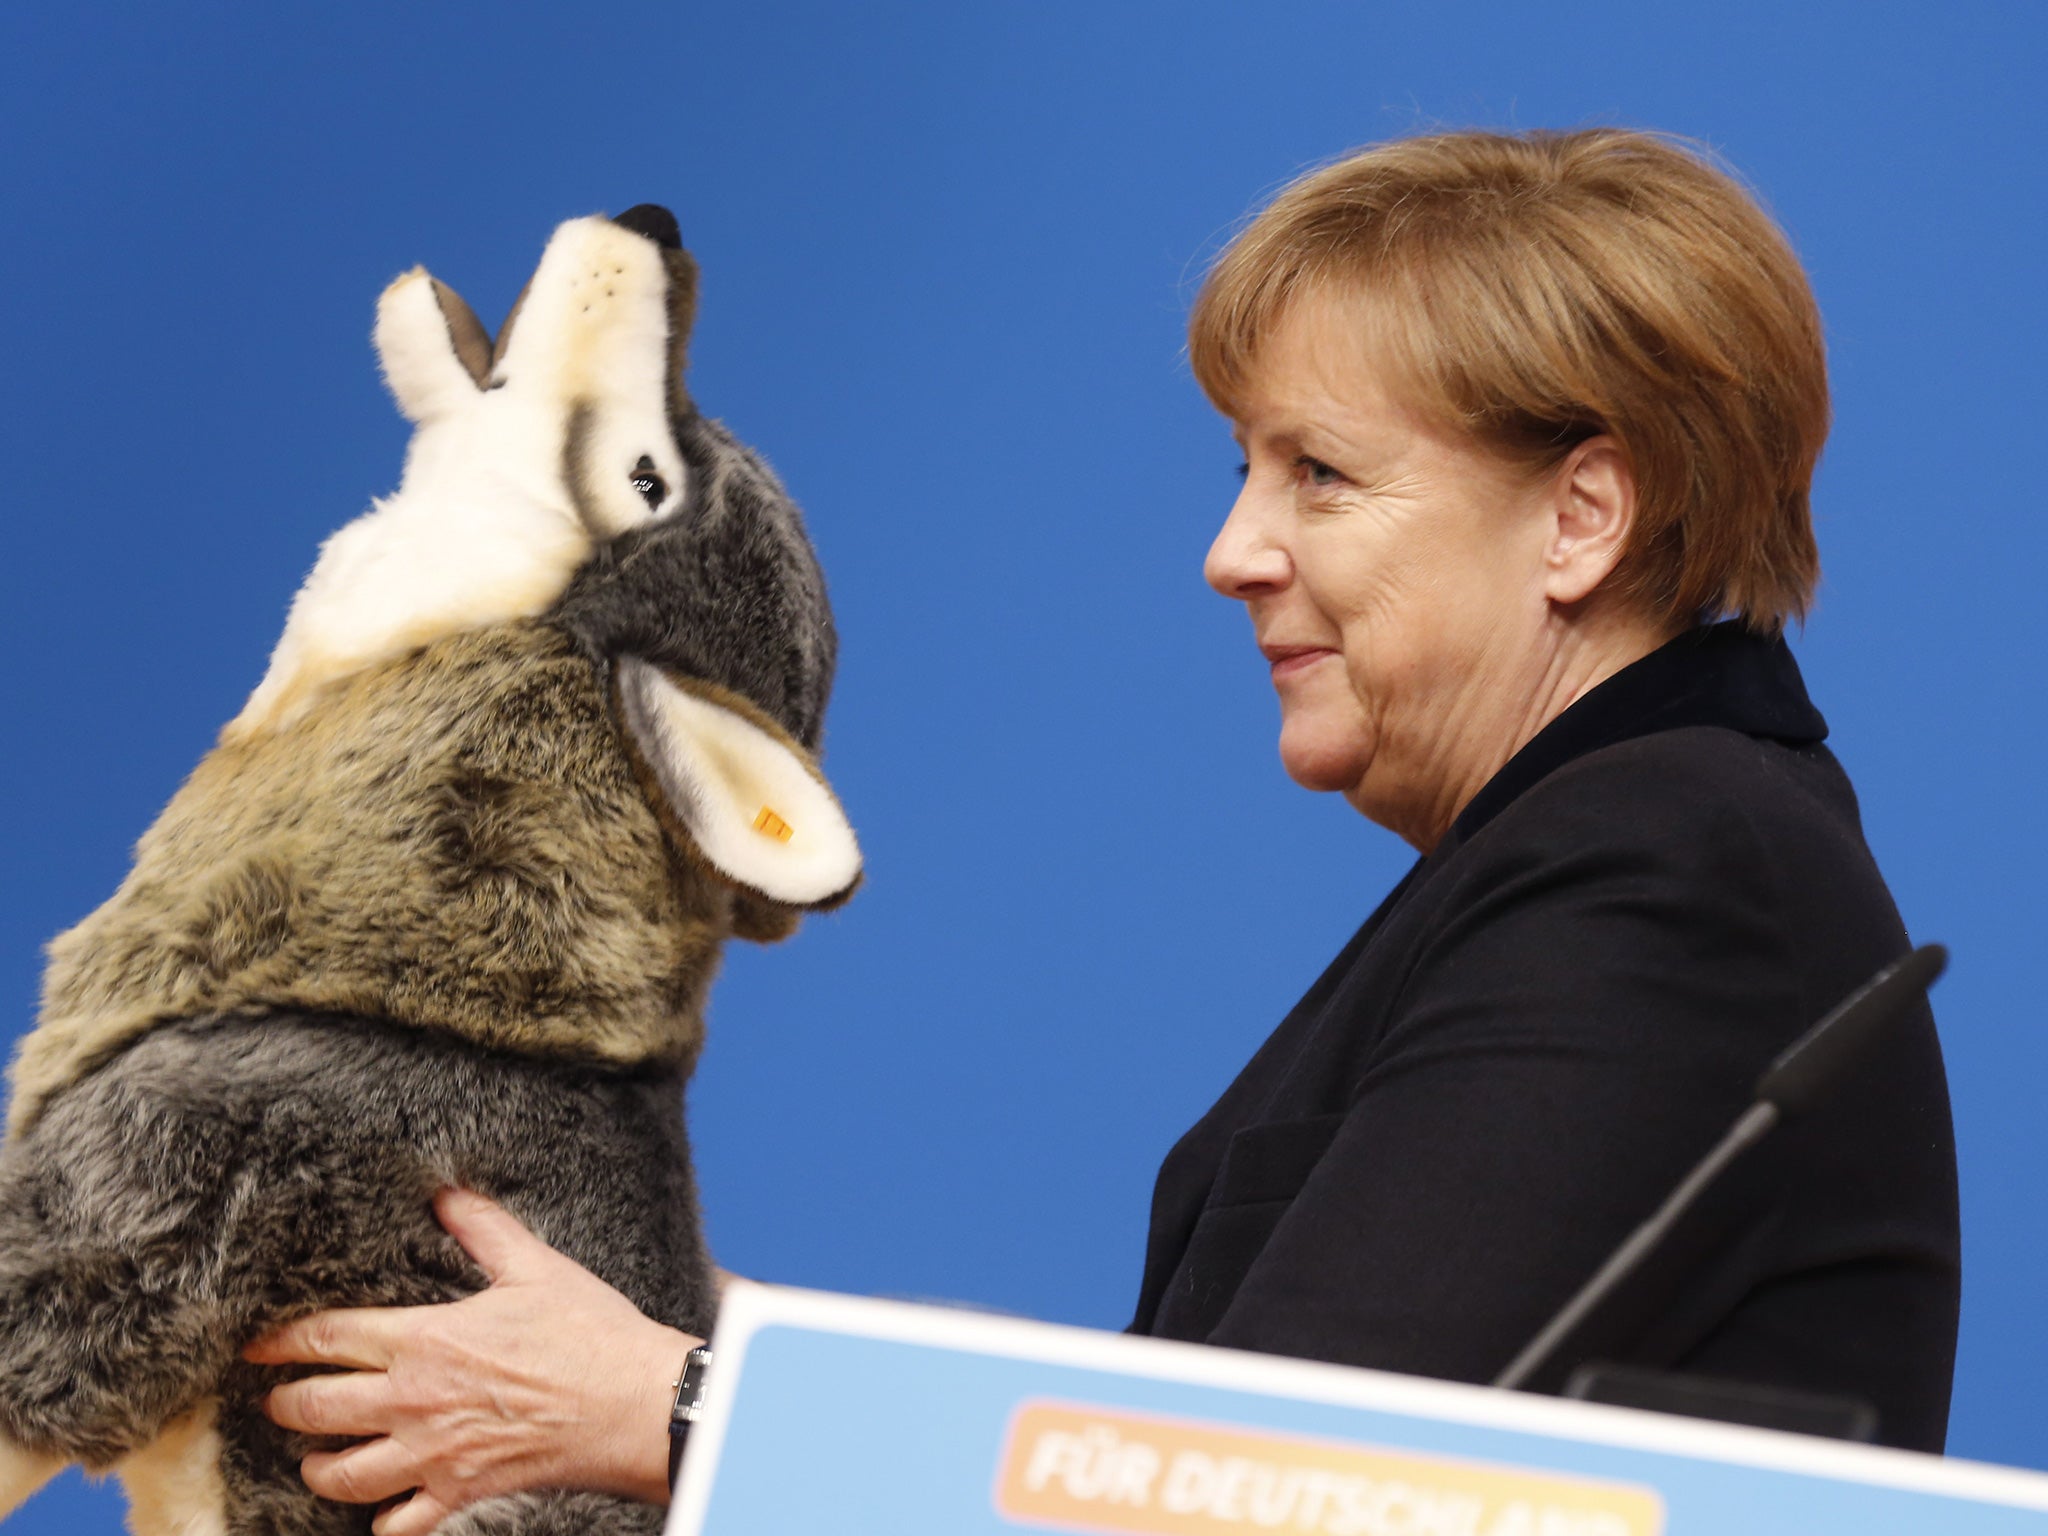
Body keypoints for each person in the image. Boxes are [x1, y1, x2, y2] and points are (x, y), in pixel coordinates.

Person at [247, 127, 1959, 1531]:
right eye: (1242, 468)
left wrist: (677, 1406)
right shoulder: (1633, 843)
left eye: (1321, 476)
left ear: (1583, 514)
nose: (1234, 551)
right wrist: (692, 1352)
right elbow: (1211, 1435)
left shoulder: (1672, 873)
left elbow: (1279, 1493)